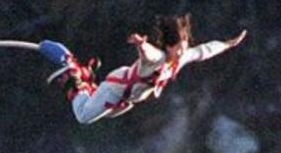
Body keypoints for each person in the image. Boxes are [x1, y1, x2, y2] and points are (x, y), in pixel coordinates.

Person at [39, 13, 247, 124]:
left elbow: (204, 50)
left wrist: (227, 44)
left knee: (106, 113)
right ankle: (76, 77)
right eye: (179, 48)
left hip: (125, 100)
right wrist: (141, 44)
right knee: (83, 117)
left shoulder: (180, 58)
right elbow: (148, 54)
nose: (183, 52)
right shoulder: (157, 58)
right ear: (169, 47)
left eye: (184, 48)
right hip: (116, 89)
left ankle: (85, 80)